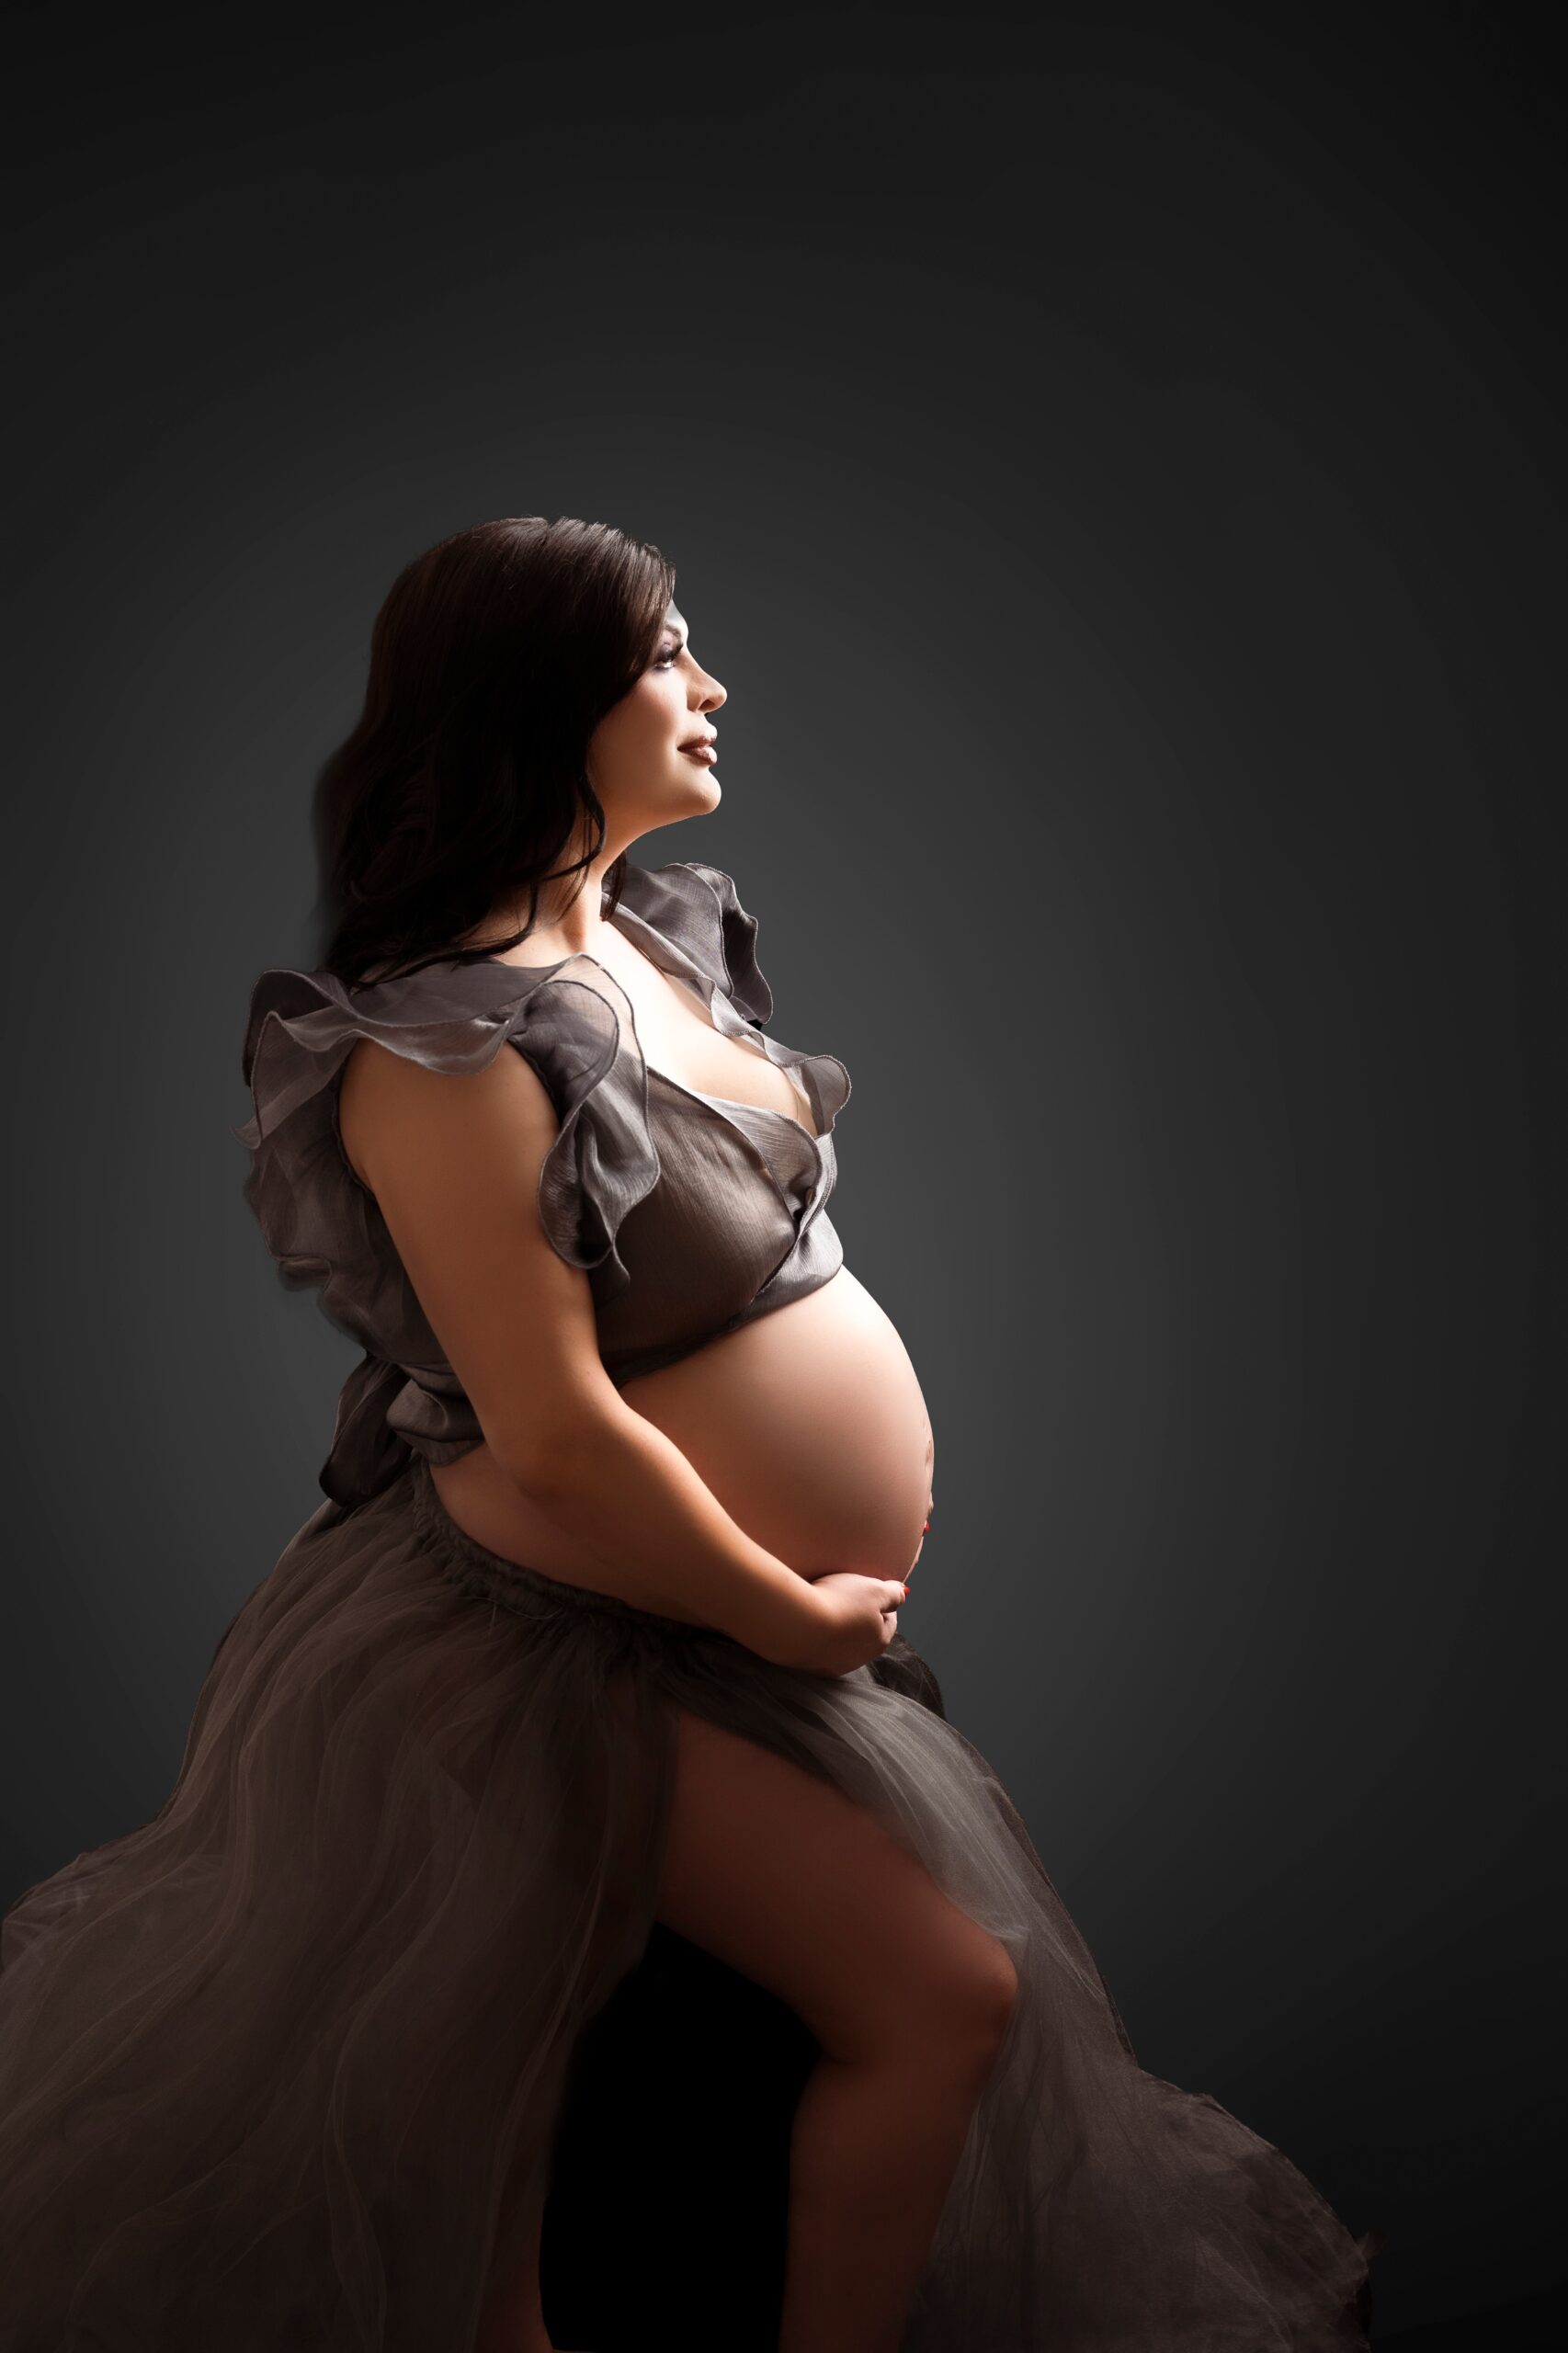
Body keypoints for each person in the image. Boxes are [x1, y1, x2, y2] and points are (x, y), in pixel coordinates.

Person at [0, 515, 1379, 2350]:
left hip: (692, 1624)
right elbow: (558, 1435)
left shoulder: (655, 943)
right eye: (664, 654)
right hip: (532, 1644)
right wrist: (783, 1610)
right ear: (541, 697)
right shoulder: (439, 1057)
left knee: (819, 2034)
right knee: (520, 2121)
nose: (709, 687)